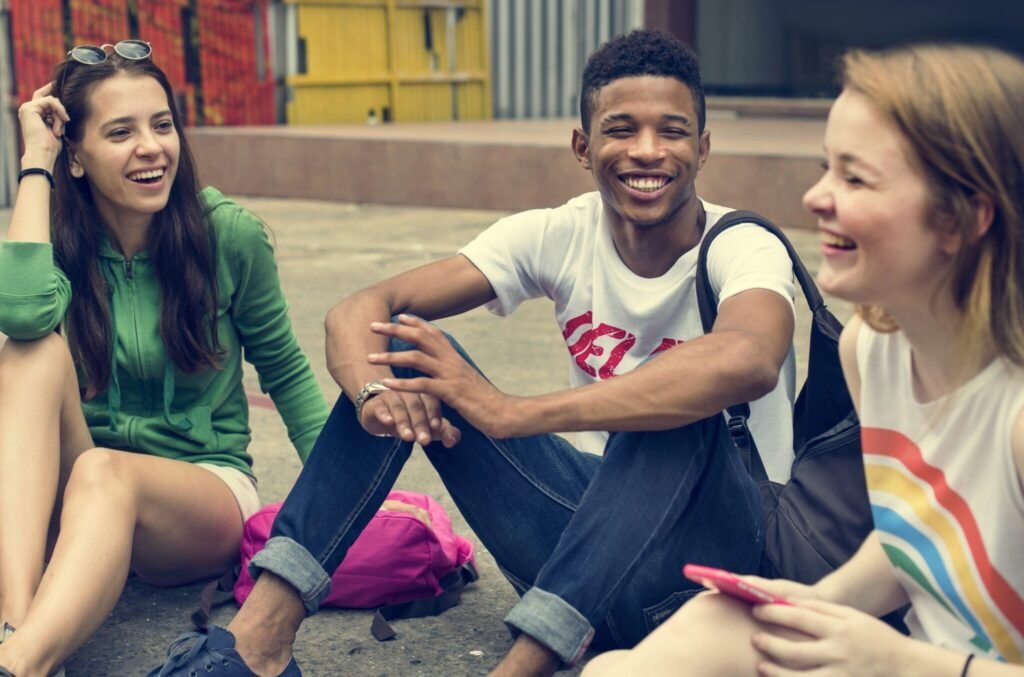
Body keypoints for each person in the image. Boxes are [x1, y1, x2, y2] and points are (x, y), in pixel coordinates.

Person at [149, 29, 798, 676]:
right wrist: (375, 395)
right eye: (621, 129)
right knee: (408, 351)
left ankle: (519, 667)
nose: (647, 151)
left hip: (715, 580)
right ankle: (258, 642)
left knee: (676, 401)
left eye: (673, 131)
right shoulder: (559, 234)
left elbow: (748, 356)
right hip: (585, 564)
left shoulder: (741, 246)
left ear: (704, 147)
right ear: (583, 145)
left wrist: (512, 412)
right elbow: (361, 310)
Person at [581, 43, 1024, 676]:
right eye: (826, 169)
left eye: (856, 178)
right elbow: (911, 539)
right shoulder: (871, 351)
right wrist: (815, 606)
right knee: (642, 655)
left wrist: (899, 663)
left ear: (961, 218)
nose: (816, 197)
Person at [0, 41, 329, 677]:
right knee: (31, 349)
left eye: (162, 125)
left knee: (103, 473)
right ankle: (18, 623)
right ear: (75, 155)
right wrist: (35, 162)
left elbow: (286, 372)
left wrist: (345, 504)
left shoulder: (227, 235)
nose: (152, 147)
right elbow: (19, 314)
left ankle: (21, 663)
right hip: (87, 486)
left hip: (200, 491)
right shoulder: (60, 240)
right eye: (120, 132)